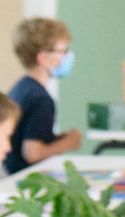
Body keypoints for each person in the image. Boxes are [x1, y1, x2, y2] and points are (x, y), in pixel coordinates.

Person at [5, 17, 84, 174]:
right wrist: (68, 143)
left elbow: (28, 135)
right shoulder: (41, 99)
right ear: (43, 58)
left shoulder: (22, 87)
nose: (67, 57)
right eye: (63, 51)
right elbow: (33, 154)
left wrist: (55, 139)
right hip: (24, 178)